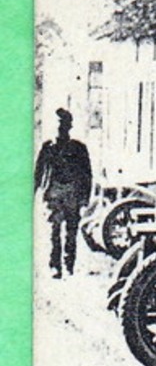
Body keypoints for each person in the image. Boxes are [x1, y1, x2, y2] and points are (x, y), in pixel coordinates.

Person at [35, 108, 93, 278]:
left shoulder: (79, 148)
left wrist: (85, 199)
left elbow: (87, 175)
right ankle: (55, 265)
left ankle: (69, 263)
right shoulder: (48, 147)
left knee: (71, 231)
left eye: (65, 125)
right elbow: (38, 172)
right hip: (54, 193)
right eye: (59, 125)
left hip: (72, 194)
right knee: (54, 230)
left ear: (70, 126)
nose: (61, 128)